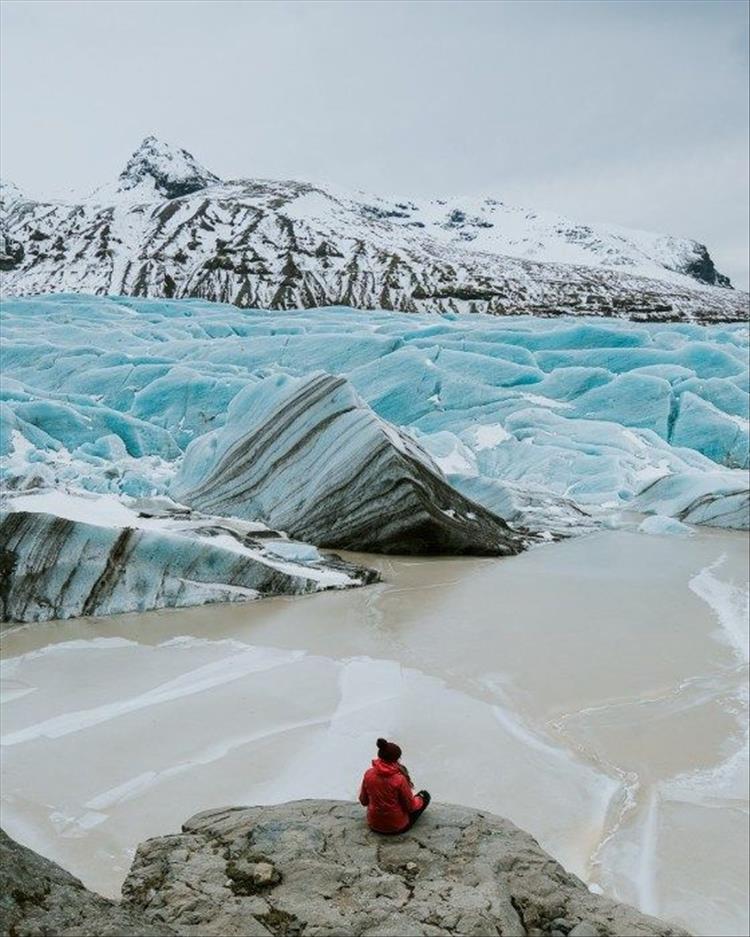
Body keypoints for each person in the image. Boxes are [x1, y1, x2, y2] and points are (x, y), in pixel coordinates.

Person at [358, 737, 431, 834]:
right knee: (425, 795)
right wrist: (419, 799)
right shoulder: (399, 779)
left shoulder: (368, 774)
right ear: (396, 759)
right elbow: (410, 807)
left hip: (374, 825)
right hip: (397, 827)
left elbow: (364, 801)